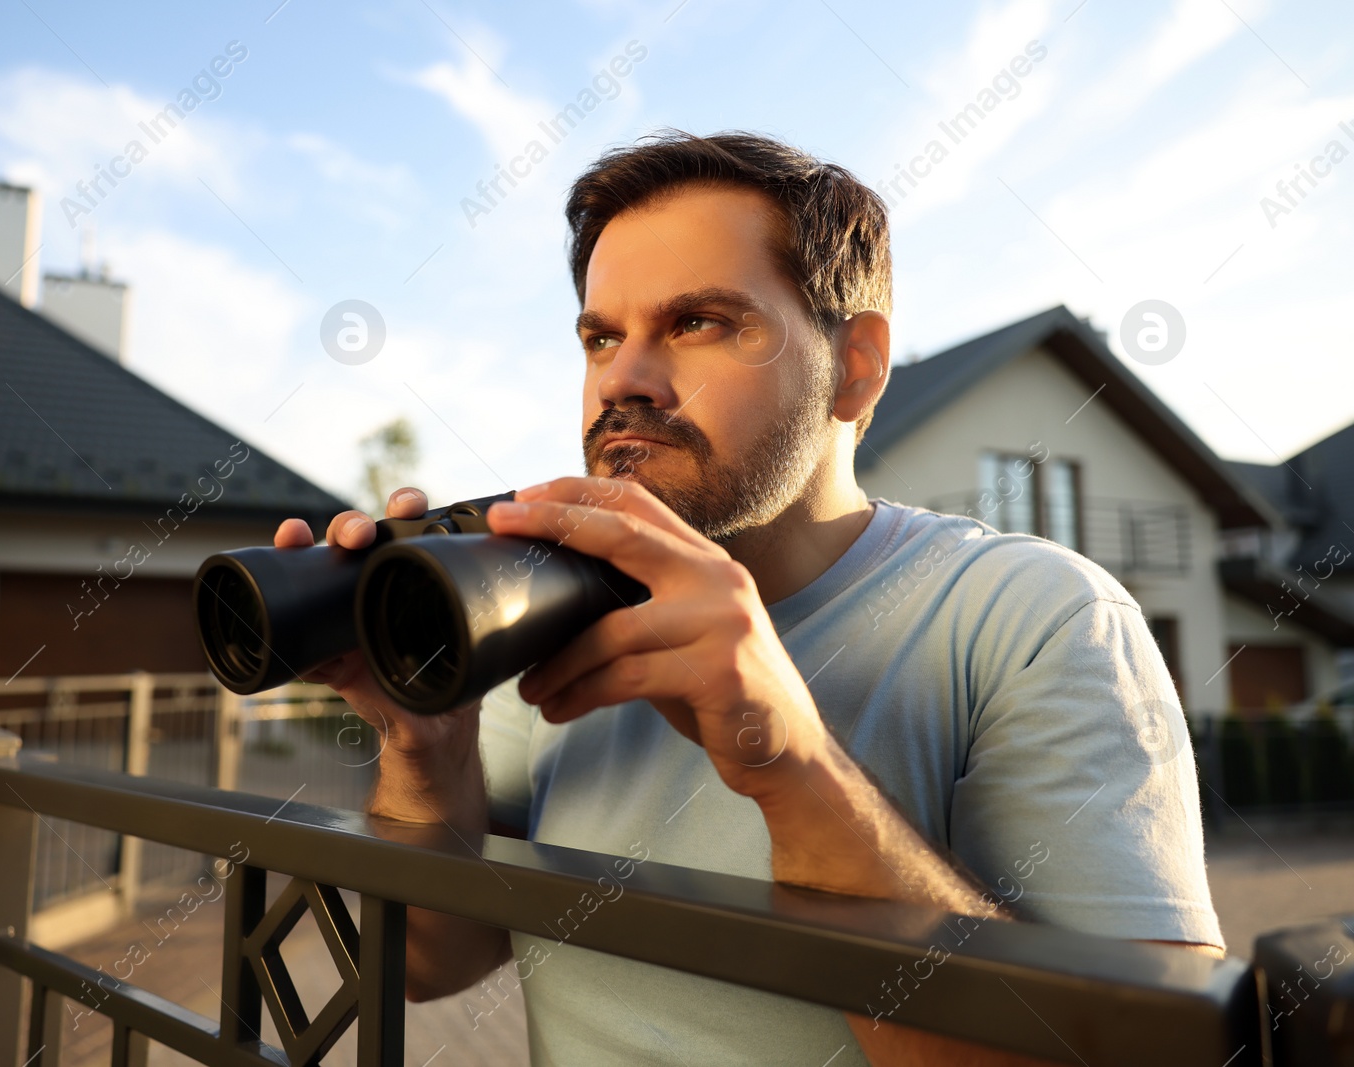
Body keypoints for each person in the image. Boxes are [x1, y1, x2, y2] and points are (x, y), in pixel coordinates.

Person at [272, 130, 1223, 1066]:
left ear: (855, 365)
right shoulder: (550, 609)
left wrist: (790, 761)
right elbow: (435, 963)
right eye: (602, 337)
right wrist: (423, 740)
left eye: (698, 323)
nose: (624, 379)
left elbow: (1149, 1050)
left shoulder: (1034, 617)